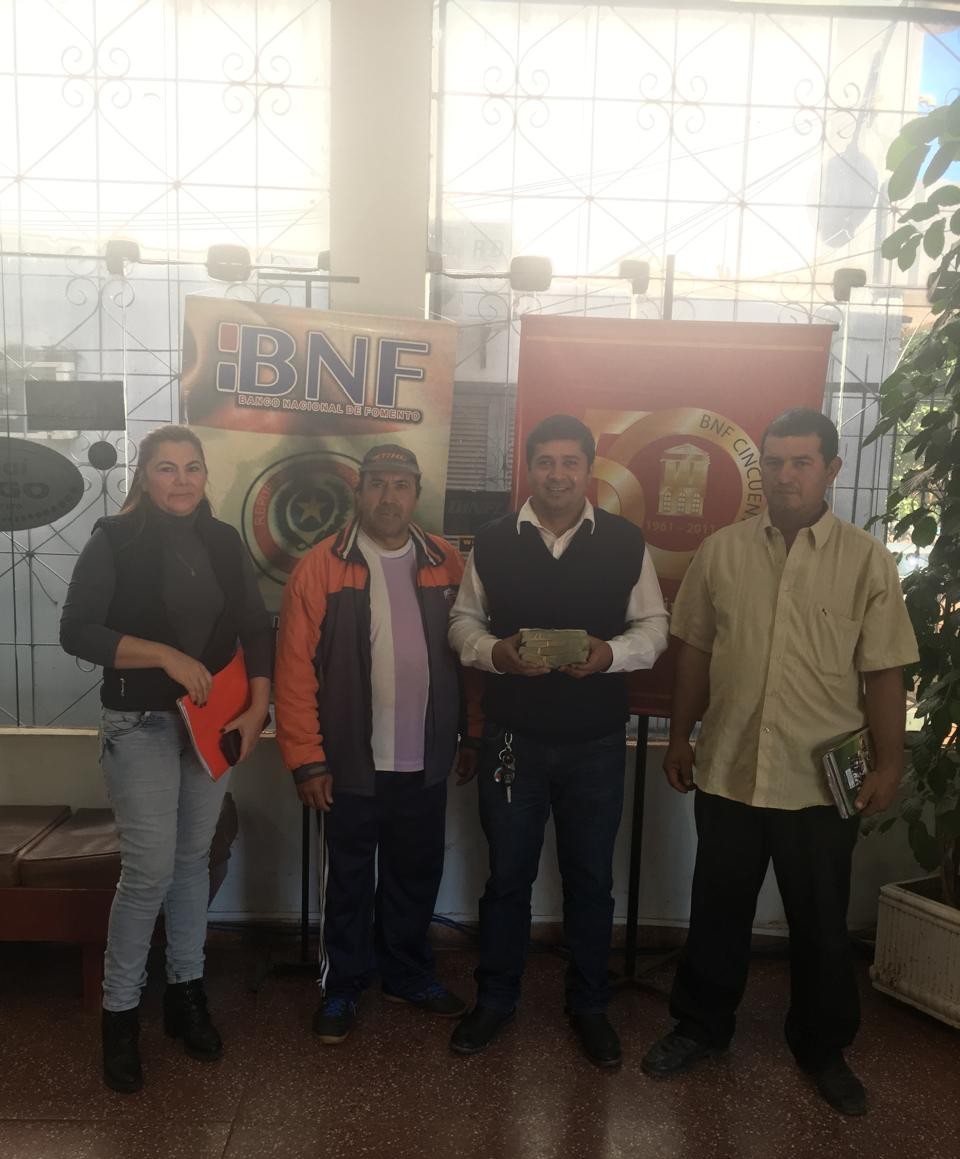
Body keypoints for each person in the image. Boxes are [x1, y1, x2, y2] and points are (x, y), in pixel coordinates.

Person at [642, 407, 919, 1116]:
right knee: (717, 913)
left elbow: (884, 671)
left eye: (802, 462)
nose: (785, 475)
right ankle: (700, 1028)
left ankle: (823, 1047)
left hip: (821, 786)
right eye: (775, 461)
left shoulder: (866, 560)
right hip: (729, 769)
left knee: (822, 924)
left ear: (831, 469)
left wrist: (890, 765)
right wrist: (681, 737)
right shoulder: (722, 552)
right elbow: (695, 652)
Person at [448, 414, 669, 1067]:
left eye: (570, 462)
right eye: (545, 461)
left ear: (589, 469)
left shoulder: (625, 541)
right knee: (507, 878)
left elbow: (654, 628)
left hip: (596, 741)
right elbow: (462, 622)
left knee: (591, 881)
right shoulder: (493, 541)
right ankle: (496, 998)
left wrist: (610, 655)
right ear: (529, 468)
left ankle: (590, 1006)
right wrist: (495, 654)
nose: (557, 474)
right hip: (512, 739)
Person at [60, 424, 273, 1093]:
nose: (181, 480)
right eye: (165, 468)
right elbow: (76, 631)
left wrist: (259, 708)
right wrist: (164, 656)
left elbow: (255, 625)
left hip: (214, 725)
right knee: (149, 870)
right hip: (141, 724)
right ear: (144, 476)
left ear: (206, 475)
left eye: (192, 467)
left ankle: (186, 994)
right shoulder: (114, 539)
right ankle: (120, 1016)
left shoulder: (223, 540)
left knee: (191, 862)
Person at [274, 443, 474, 1045]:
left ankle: (407, 974)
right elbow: (293, 672)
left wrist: (473, 735)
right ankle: (341, 986)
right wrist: (306, 759)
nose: (389, 497)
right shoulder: (320, 566)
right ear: (358, 491)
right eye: (378, 484)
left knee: (416, 873)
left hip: (425, 760)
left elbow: (470, 658)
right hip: (347, 765)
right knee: (349, 881)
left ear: (417, 494)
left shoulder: (446, 561)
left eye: (401, 485)